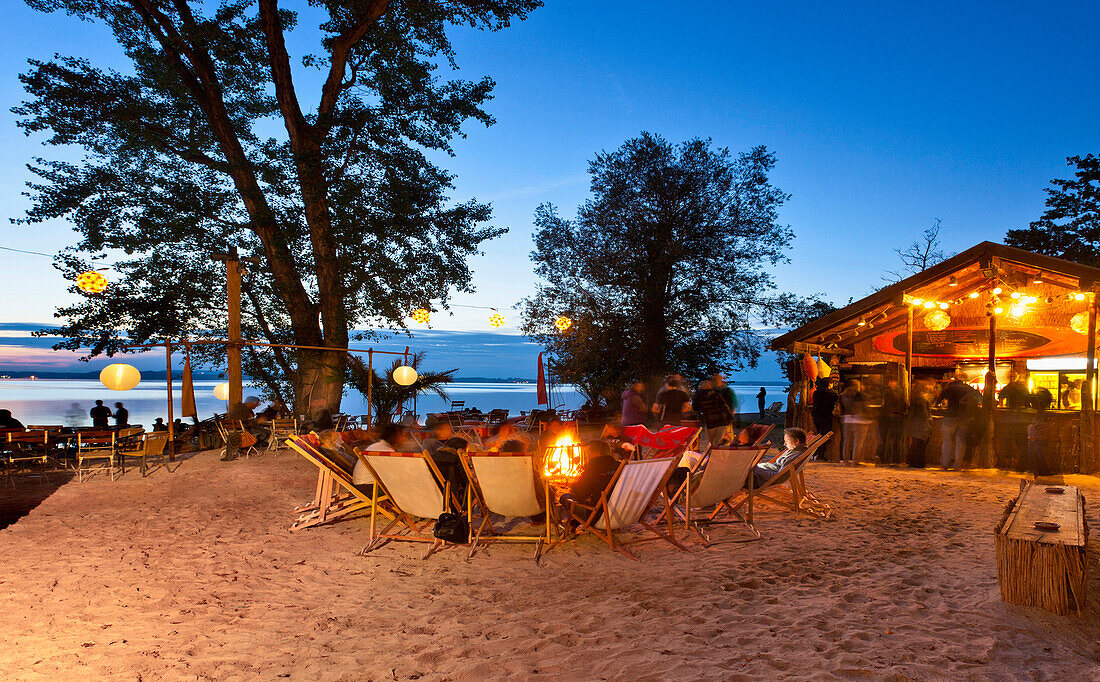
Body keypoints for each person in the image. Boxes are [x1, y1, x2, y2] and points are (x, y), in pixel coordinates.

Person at [558, 440, 624, 520]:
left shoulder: (592, 470)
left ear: (595, 453)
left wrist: (574, 484)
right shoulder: (621, 467)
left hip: (599, 517)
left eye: (588, 452)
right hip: (622, 513)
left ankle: (569, 521)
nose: (586, 455)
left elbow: (579, 496)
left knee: (564, 497)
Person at [935, 371, 979, 470]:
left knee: (947, 441)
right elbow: (979, 398)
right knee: (961, 441)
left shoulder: (949, 388)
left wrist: (939, 404)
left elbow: (938, 400)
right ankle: (957, 465)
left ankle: (944, 464)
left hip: (950, 417)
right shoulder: (969, 389)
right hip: (964, 417)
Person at [692, 378, 734, 450]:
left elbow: (696, 408)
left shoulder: (699, 395)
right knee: (719, 442)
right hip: (721, 420)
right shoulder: (716, 394)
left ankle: (710, 455)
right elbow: (723, 406)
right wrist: (729, 417)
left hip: (710, 421)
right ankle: (718, 456)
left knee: (710, 442)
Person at [838, 380, 869, 465]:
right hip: (858, 420)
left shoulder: (842, 395)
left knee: (846, 441)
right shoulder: (858, 395)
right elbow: (861, 408)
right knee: (857, 442)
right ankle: (855, 460)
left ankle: (845, 460)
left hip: (846, 420)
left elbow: (841, 408)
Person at [876, 379, 906, 466]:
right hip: (897, 418)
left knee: (884, 439)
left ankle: (882, 457)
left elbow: (885, 405)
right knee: (895, 439)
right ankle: (895, 459)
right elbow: (903, 405)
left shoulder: (886, 392)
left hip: (886, 417)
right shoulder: (901, 393)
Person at [903, 380, 933, 468]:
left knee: (915, 444)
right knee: (920, 445)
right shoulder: (922, 399)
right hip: (921, 425)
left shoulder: (914, 397)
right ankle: (919, 463)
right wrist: (929, 421)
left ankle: (912, 462)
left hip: (914, 424)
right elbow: (924, 414)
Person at [1027, 388, 1054, 478]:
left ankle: (1040, 471)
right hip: (1037, 436)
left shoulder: (1038, 411)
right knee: (1038, 454)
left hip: (1036, 436)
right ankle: (1041, 471)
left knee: (1036, 455)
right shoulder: (1041, 411)